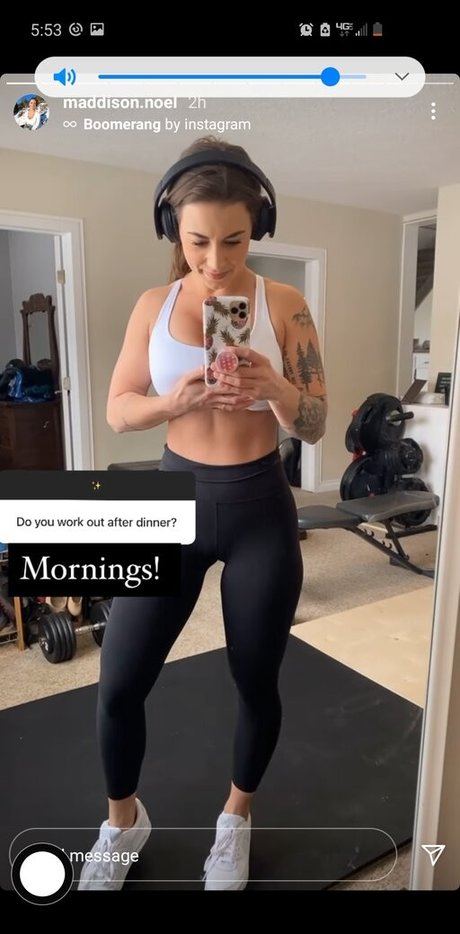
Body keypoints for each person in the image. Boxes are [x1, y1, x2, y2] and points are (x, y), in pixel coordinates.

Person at [78, 136, 327, 892]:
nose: (215, 262)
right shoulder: (152, 306)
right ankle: (123, 822)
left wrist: (277, 389)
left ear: (258, 229)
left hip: (259, 507)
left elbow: (317, 424)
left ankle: (235, 820)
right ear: (172, 230)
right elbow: (118, 410)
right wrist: (172, 402)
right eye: (197, 242)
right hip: (173, 499)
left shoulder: (286, 305)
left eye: (234, 240)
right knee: (119, 683)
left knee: (256, 681)